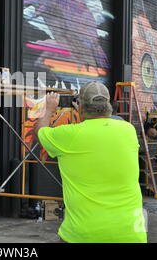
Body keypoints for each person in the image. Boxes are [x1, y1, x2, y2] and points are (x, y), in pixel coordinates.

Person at [35, 82, 147, 243]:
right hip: (131, 234)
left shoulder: (69, 136)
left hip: (84, 235)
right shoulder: (128, 130)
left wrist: (49, 110)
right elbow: (100, 133)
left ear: (80, 106)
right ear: (108, 103)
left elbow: (40, 132)